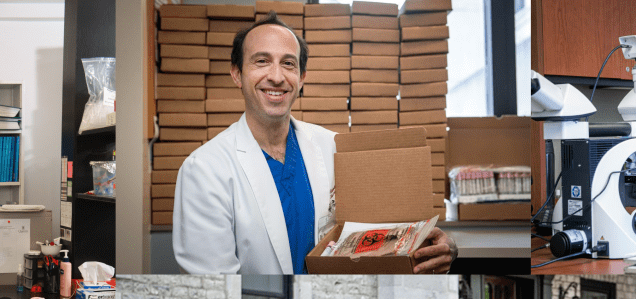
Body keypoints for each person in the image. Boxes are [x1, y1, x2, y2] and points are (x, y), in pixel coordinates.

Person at [173, 13, 457, 274]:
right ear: (237, 74)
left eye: (288, 63)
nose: (276, 76)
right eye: (261, 61)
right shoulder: (205, 170)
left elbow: (383, 231)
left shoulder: (334, 147)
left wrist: (439, 245)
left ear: (302, 78)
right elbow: (215, 283)